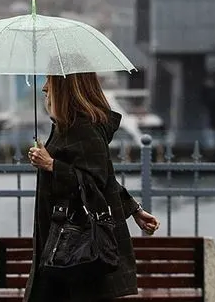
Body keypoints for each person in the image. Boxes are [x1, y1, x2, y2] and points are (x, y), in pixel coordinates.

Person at [24, 72, 160, 301]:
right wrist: (134, 209)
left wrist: (52, 165)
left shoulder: (82, 128)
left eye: (50, 80)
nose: (45, 87)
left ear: (65, 85)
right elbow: (103, 176)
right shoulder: (67, 125)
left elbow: (94, 183)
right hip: (62, 243)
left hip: (73, 246)